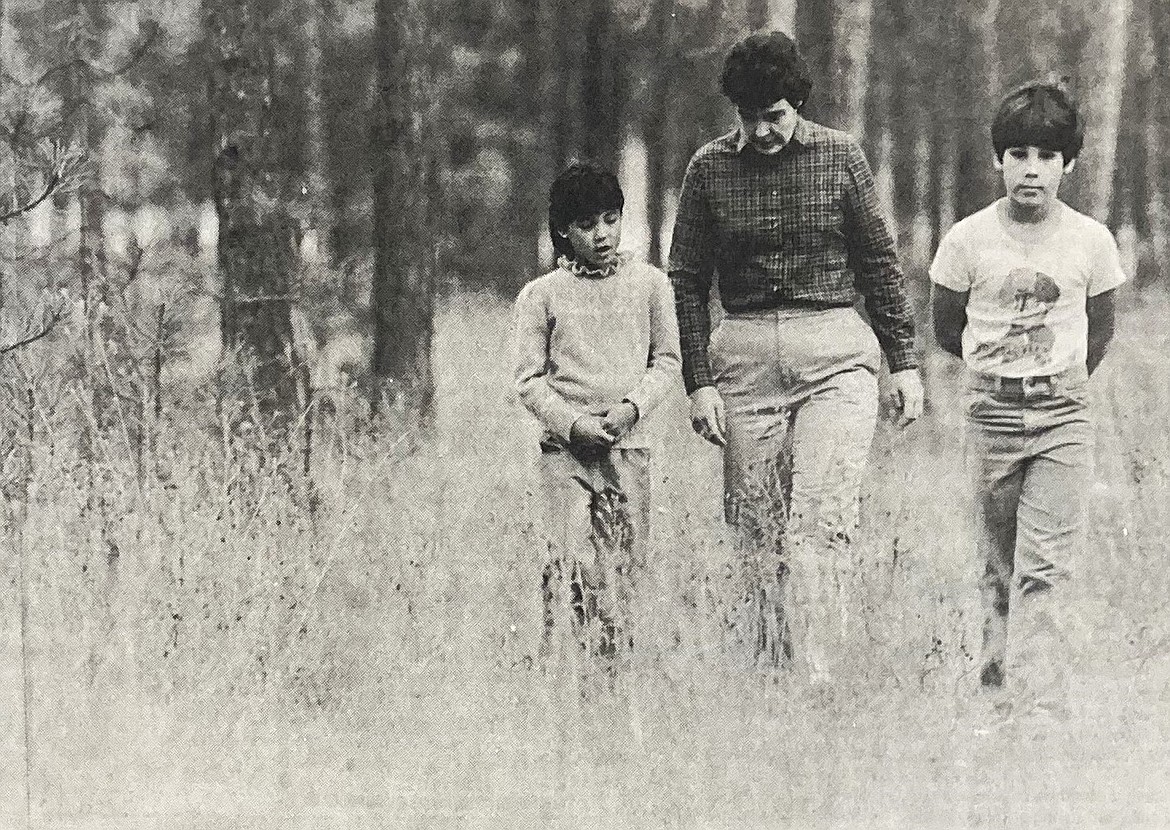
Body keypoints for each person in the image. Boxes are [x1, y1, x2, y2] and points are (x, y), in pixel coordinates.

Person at [668, 30, 923, 676]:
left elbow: (880, 265)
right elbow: (688, 279)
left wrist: (904, 363)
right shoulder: (708, 170)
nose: (762, 132)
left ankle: (819, 676)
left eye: (775, 116)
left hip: (834, 356)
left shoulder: (841, 158)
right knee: (754, 528)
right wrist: (699, 382)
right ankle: (767, 675)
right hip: (745, 363)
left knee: (820, 521)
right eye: (748, 119)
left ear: (798, 103)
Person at [930, 78, 1125, 713]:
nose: (1031, 171)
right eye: (1018, 155)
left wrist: (1056, 381)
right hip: (990, 413)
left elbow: (1099, 330)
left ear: (1068, 163)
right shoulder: (966, 240)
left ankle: (1040, 704)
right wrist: (998, 375)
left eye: (1045, 157)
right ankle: (994, 697)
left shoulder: (1091, 242)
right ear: (998, 160)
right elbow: (945, 327)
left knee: (1044, 567)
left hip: (1063, 414)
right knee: (995, 565)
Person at [513, 161, 681, 664]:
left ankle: (613, 674)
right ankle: (562, 665)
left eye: (611, 219)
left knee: (624, 567)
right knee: (568, 565)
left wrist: (632, 409)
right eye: (586, 225)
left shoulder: (651, 285)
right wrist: (572, 424)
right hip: (563, 456)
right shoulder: (541, 296)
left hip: (629, 449)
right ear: (563, 231)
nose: (602, 234)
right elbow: (528, 380)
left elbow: (667, 360)